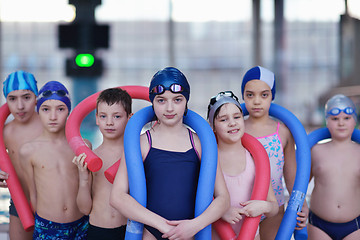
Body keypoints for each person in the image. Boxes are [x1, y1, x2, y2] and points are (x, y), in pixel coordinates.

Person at [110, 67, 230, 240]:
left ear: (186, 101)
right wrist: (161, 224)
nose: (169, 107)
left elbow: (223, 198)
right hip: (151, 233)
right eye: (161, 100)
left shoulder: (199, 143)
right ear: (152, 103)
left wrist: (195, 225)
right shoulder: (142, 143)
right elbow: (117, 196)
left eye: (177, 100)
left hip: (190, 234)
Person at [241, 66, 307, 239]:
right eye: (250, 95)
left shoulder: (283, 132)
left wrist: (303, 204)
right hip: (241, 205)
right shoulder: (235, 128)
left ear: (272, 96)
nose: (256, 101)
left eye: (264, 95)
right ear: (243, 96)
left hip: (274, 207)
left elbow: (292, 177)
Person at [19, 81, 89, 239]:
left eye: (60, 109)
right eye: (45, 109)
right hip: (47, 226)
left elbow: (88, 189)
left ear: (69, 111)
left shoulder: (82, 146)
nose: (53, 116)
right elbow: (33, 195)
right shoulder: (28, 151)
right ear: (38, 111)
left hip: (81, 224)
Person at [207, 91, 278, 240]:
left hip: (252, 235)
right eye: (223, 119)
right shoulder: (209, 159)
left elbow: (274, 207)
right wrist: (221, 211)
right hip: (217, 235)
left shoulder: (256, 158)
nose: (232, 123)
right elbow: (198, 199)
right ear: (212, 126)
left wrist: (264, 206)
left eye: (237, 117)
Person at [72, 88, 132, 240]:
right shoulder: (93, 157)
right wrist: (84, 178)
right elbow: (85, 209)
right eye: (103, 116)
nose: (109, 122)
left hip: (129, 231)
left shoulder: (135, 154)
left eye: (117, 116)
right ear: (97, 118)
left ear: (129, 118)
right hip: (98, 230)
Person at [308, 94, 360, 240]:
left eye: (347, 118)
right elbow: (300, 182)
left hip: (354, 225)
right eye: (335, 119)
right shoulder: (316, 150)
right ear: (326, 121)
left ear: (355, 120)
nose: (341, 123)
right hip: (319, 224)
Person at [2, 70, 43, 240]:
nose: (20, 106)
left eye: (26, 97)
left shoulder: (50, 125)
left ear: (36, 98)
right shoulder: (5, 132)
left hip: (51, 204)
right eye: (12, 99)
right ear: (6, 100)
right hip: (20, 203)